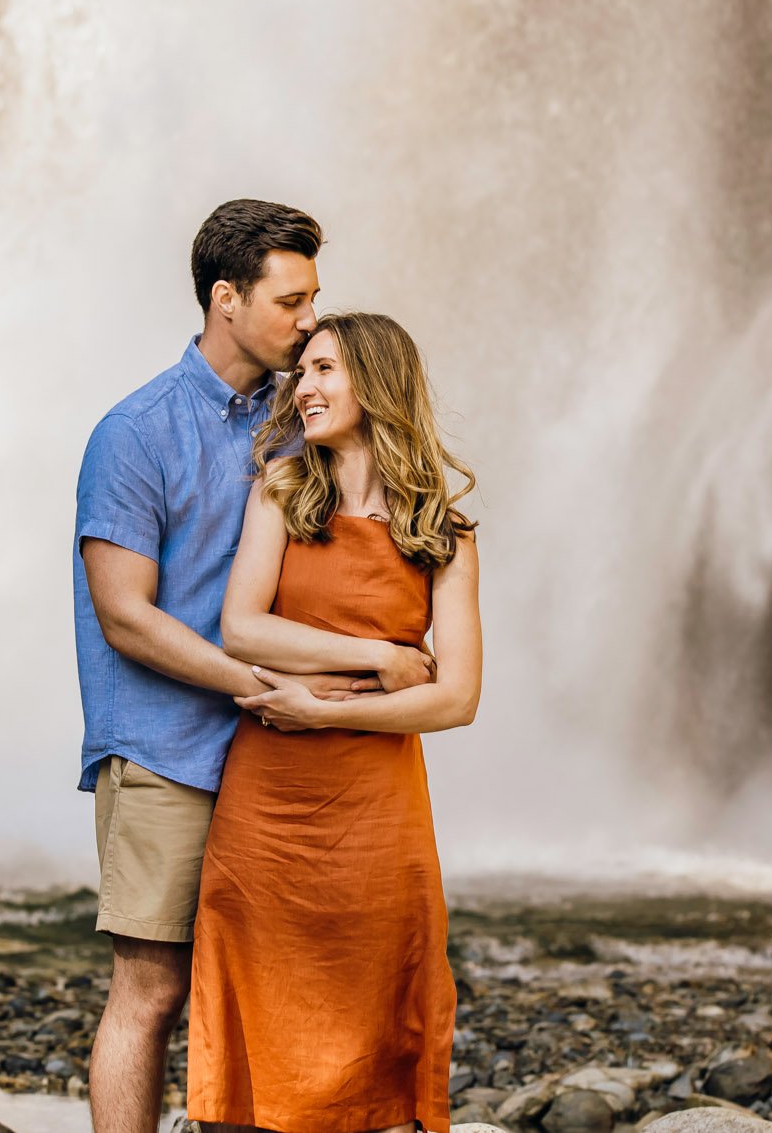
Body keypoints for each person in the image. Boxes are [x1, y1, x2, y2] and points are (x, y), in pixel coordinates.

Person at [75, 201, 428, 1133]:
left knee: (264, 990)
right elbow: (125, 615)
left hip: (280, 760)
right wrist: (269, 686)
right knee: (150, 989)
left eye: (315, 301)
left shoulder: (297, 415)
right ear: (226, 299)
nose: (310, 321)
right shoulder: (135, 432)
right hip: (167, 752)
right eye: (292, 300)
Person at [189, 312, 483, 1133]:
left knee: (380, 1006)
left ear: (377, 384)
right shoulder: (282, 492)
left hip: (376, 813)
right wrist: (381, 657)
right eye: (304, 371)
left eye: (325, 370)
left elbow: (457, 697)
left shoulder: (443, 532)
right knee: (250, 1013)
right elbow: (243, 628)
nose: (305, 388)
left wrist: (317, 709)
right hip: (268, 810)